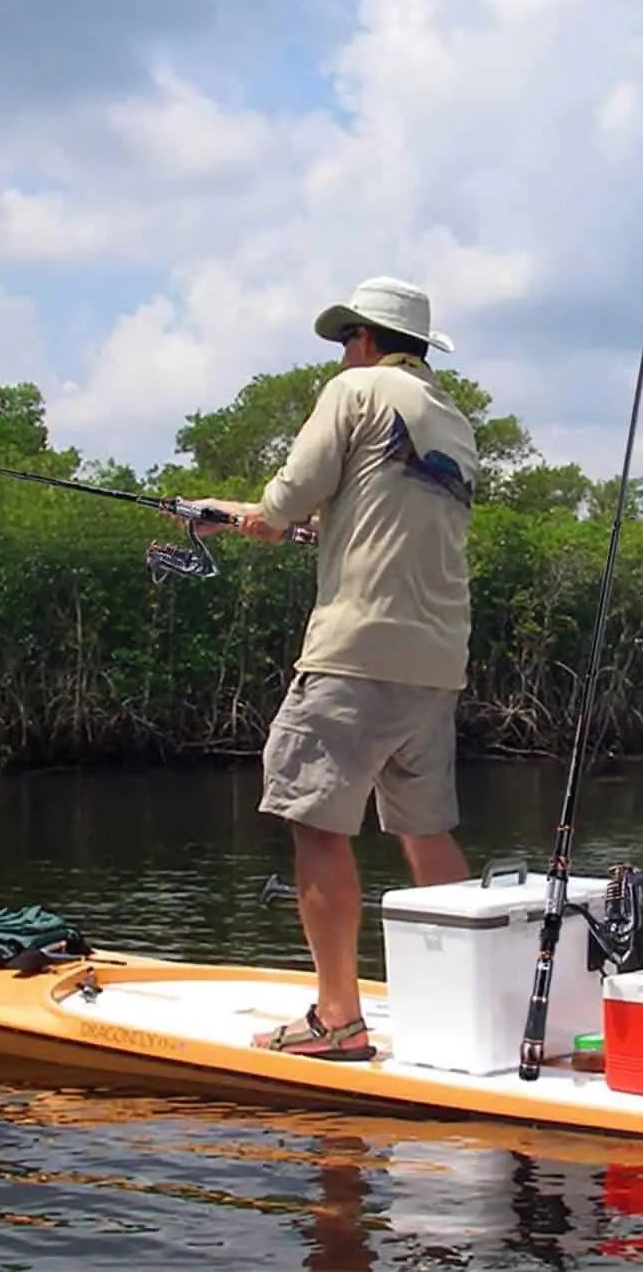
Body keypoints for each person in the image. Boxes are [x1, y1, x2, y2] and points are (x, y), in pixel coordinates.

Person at [194, 275, 480, 1062]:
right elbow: (366, 519)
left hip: (355, 653)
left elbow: (288, 499)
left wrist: (253, 517)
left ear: (365, 339)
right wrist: (253, 517)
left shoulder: (353, 391)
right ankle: (476, 1000)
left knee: (315, 823)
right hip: (435, 662)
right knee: (427, 832)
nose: (341, 352)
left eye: (345, 338)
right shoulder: (452, 422)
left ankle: (338, 1018)